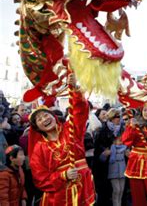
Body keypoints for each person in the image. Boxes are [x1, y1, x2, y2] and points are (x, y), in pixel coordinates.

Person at [28, 74, 95, 205]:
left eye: (46, 115)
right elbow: (39, 178)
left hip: (83, 186)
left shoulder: (70, 129)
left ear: (54, 117)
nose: (45, 119)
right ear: (37, 127)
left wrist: (75, 89)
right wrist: (63, 176)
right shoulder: (39, 148)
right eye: (40, 119)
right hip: (59, 197)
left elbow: (80, 112)